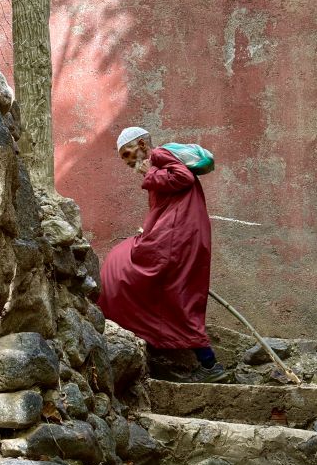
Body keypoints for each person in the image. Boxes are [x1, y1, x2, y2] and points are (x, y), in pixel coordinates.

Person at [97, 126, 230, 383]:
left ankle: (139, 335)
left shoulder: (158, 155)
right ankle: (207, 362)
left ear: (143, 146)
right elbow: (168, 202)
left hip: (176, 237)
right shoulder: (160, 162)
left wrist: (149, 172)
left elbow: (184, 178)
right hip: (181, 235)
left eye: (127, 153)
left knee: (118, 264)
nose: (126, 162)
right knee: (176, 297)